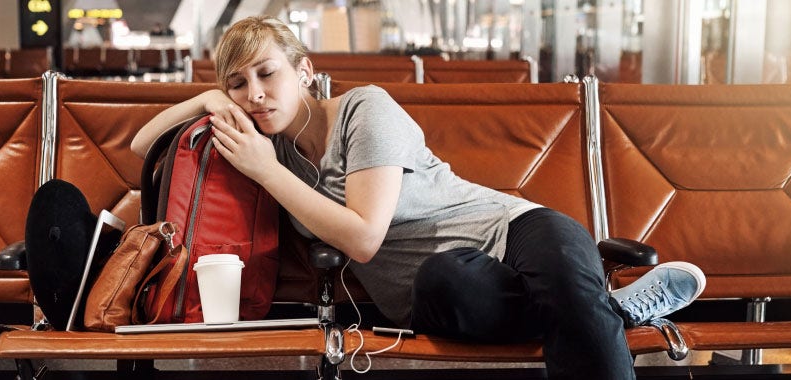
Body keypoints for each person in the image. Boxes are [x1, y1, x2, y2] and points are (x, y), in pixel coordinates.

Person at [129, 16, 707, 379]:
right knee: (448, 282)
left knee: (560, 267)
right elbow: (142, 146)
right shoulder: (266, 147)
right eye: (238, 83)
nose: (254, 94)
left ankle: (590, 305)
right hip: (435, 288)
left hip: (513, 228)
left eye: (266, 74)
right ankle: (610, 310)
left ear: (304, 71)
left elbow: (363, 235)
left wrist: (265, 169)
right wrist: (207, 99)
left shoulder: (365, 109)